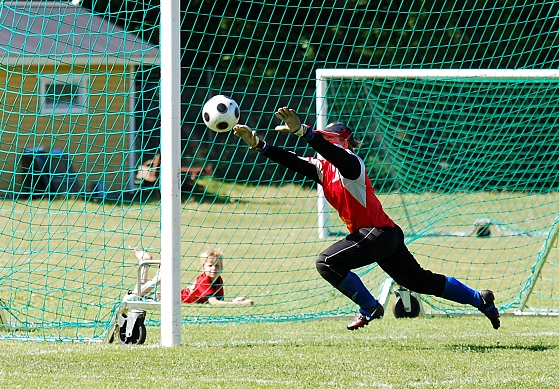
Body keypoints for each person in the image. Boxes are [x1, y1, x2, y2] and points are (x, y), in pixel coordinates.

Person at [232, 107, 500, 330]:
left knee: (326, 262)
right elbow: (293, 161)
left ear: (342, 142)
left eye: (330, 139)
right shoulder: (323, 168)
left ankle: (370, 307)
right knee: (420, 281)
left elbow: (333, 154)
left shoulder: (351, 162)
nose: (327, 144)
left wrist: (305, 132)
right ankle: (481, 299)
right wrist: (260, 145)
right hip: (384, 235)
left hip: (377, 233)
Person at [181, 248, 254, 306]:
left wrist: (233, 301)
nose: (213, 268)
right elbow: (214, 302)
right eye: (210, 266)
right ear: (203, 268)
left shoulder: (218, 279)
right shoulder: (203, 281)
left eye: (217, 265)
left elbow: (220, 301)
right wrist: (240, 304)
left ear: (221, 267)